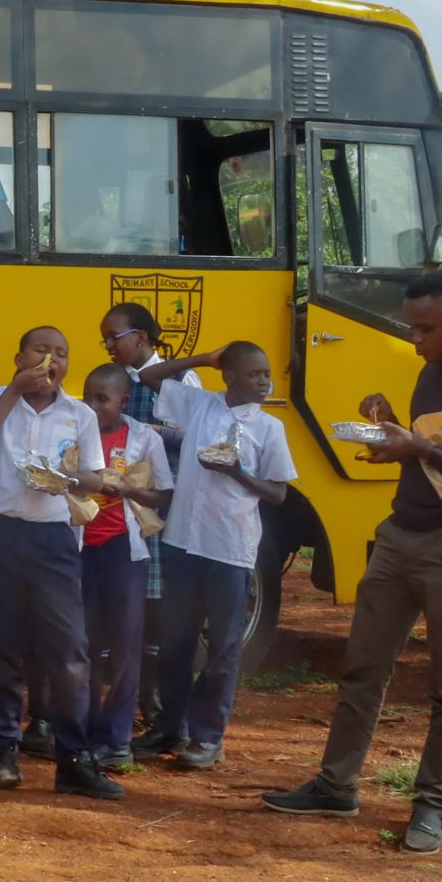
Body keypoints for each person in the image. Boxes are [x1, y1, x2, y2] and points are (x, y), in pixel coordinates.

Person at [264, 268, 442, 854]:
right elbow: (438, 460)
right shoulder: (433, 370)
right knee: (362, 668)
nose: (415, 340)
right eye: (411, 328)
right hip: (400, 536)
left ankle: (433, 806)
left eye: (426, 329)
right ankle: (336, 785)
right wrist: (395, 435)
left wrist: (420, 446)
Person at [0, 325, 122, 799]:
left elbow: (94, 479)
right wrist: (13, 390)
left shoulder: (80, 414)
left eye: (61, 354)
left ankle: (74, 759)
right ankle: (4, 751)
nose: (52, 360)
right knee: (2, 647)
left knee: (69, 652)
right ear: (19, 358)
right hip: (1, 537)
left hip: (54, 539)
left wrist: (66, 478)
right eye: (41, 351)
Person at [137, 343, 292, 768]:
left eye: (266, 374)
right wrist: (205, 358)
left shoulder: (268, 428)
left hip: (229, 547)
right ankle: (172, 726)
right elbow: (150, 378)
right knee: (174, 641)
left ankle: (208, 736)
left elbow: (278, 493)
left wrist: (237, 472)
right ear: (228, 377)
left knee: (223, 646)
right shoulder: (201, 406)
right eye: (252, 374)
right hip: (184, 540)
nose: (263, 381)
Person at [100, 303, 202, 728]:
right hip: (119, 502)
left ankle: (154, 697)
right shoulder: (111, 382)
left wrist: (157, 434)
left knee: (159, 602)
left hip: (162, 502)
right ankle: (129, 690)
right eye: (104, 339)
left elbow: (199, 433)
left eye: (114, 337)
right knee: (129, 600)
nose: (108, 346)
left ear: (140, 338)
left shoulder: (181, 378)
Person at [76, 364, 175, 773]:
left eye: (103, 398)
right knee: (80, 644)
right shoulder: (74, 431)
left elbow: (163, 494)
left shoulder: (142, 438)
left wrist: (127, 489)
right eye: (88, 397)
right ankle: (78, 732)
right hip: (77, 546)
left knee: (123, 645)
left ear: (123, 400)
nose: (94, 406)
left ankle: (116, 739)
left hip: (122, 550)